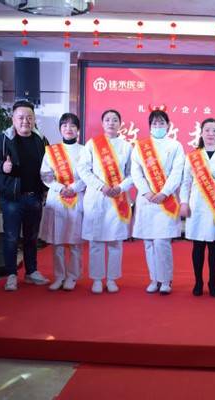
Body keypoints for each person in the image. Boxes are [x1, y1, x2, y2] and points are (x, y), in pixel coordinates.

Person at [0, 100, 50, 291]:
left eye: (29, 117)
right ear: (13, 119)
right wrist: (2, 166)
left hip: (34, 196)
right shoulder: (3, 139)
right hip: (12, 198)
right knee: (11, 237)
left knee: (32, 237)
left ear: (34, 119)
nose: (25, 121)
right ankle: (11, 275)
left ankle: (31, 272)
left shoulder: (41, 140)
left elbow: (49, 165)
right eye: (21, 117)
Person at [77, 109, 133, 294]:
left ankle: (111, 279)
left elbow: (133, 173)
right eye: (107, 120)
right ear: (102, 123)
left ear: (120, 124)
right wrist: (101, 186)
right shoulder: (92, 144)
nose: (111, 123)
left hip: (118, 199)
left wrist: (121, 187)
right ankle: (97, 279)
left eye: (115, 120)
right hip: (97, 197)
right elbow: (83, 170)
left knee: (115, 242)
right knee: (96, 242)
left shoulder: (126, 147)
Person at [180, 118, 215, 297]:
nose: (211, 134)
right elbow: (185, 183)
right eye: (207, 130)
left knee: (214, 247)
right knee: (197, 246)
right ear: (202, 133)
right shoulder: (192, 157)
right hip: (197, 207)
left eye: (214, 130)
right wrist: (184, 202)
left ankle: (213, 283)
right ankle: (198, 282)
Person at [131, 110, 185, 295]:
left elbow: (177, 172)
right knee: (149, 243)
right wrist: (146, 192)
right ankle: (154, 279)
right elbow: (136, 172)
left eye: (161, 123)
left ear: (168, 125)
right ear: (150, 126)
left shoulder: (175, 145)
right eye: (154, 123)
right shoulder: (140, 147)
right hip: (146, 200)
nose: (158, 126)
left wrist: (164, 192)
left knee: (162, 242)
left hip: (166, 200)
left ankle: (166, 280)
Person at [39, 113, 86, 291]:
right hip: (57, 199)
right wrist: (60, 188)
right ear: (60, 129)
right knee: (57, 241)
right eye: (65, 125)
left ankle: (72, 276)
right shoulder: (51, 151)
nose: (68, 128)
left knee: (74, 241)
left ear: (78, 129)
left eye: (72, 125)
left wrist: (73, 188)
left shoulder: (84, 150)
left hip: (77, 197)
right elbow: (45, 174)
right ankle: (59, 276)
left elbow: (88, 174)